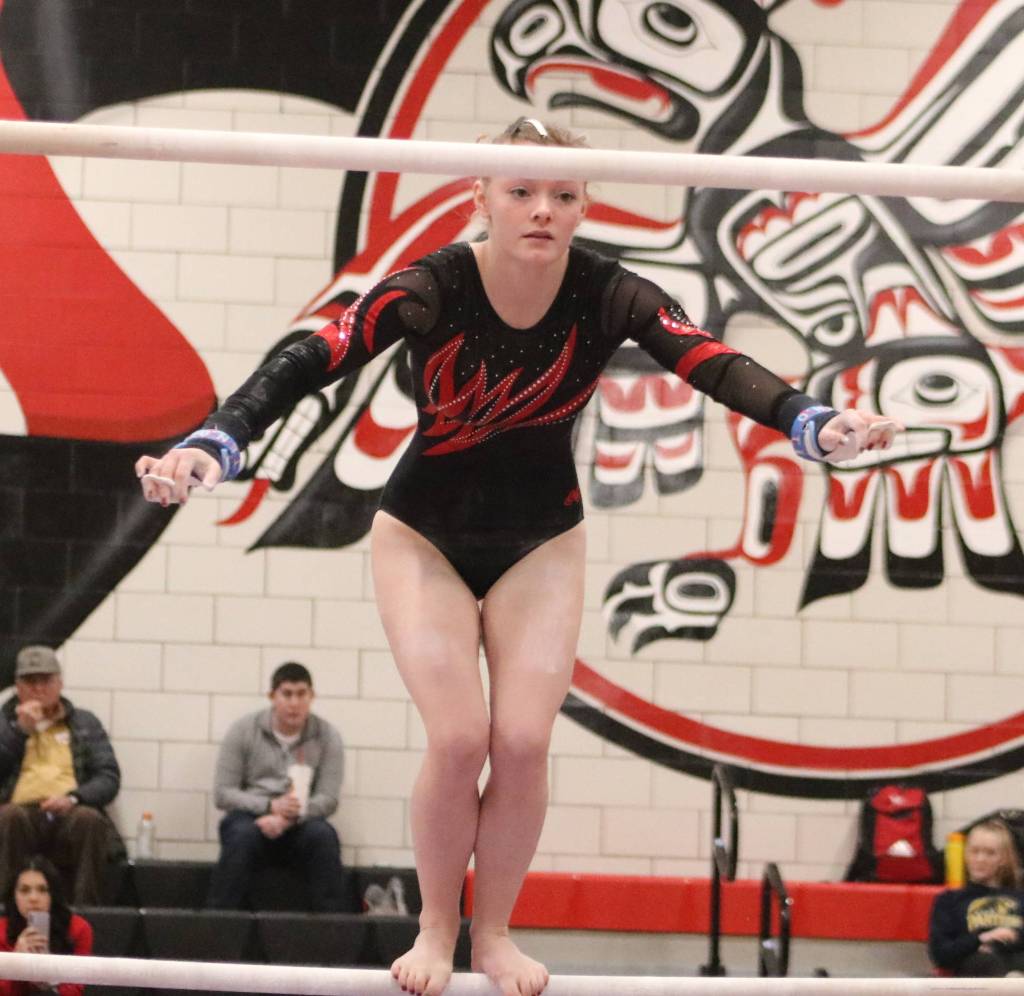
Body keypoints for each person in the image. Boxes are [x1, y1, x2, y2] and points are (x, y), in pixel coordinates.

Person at [137, 117, 899, 996]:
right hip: (424, 536)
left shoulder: (611, 293)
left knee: (526, 740)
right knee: (461, 737)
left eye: (563, 195)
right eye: (521, 191)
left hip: (544, 539)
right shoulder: (432, 286)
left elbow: (713, 360)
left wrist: (812, 421)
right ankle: (436, 926)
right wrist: (217, 441)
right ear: (481, 197)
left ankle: (494, 933)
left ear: (586, 204)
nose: (542, 209)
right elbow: (317, 353)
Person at [207, 661, 347, 911]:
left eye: (301, 694)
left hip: (301, 821)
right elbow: (223, 794)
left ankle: (333, 928)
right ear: (272, 696)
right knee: (240, 834)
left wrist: (287, 818)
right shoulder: (242, 731)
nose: (294, 703)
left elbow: (328, 798)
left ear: (312, 696)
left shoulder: (327, 736)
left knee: (324, 836)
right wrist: (269, 806)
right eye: (287, 694)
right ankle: (219, 923)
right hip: (252, 819)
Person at [0, 647, 122, 907]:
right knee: (9, 817)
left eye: (46, 681)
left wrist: (74, 798)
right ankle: (5, 914)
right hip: (19, 812)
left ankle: (86, 916)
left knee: (90, 820)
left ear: (60, 684)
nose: (38, 689)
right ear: (18, 687)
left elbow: (108, 776)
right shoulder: (3, 724)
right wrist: (20, 732)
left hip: (68, 811)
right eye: (30, 682)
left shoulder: (84, 723)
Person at [929, 819, 1024, 977]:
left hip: (1015, 962)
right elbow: (941, 954)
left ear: (1003, 859)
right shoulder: (950, 900)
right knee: (987, 962)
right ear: (966, 854)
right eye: (975, 851)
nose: (980, 859)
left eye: (990, 853)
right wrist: (982, 938)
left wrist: (1004, 939)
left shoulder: (1019, 898)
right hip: (977, 971)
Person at [0, 854, 93, 996]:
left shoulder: (79, 929)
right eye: (24, 890)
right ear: (14, 896)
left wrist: (48, 982)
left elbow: (75, 991)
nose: (33, 898)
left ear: (53, 895)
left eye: (42, 890)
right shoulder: (1, 930)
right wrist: (16, 962)